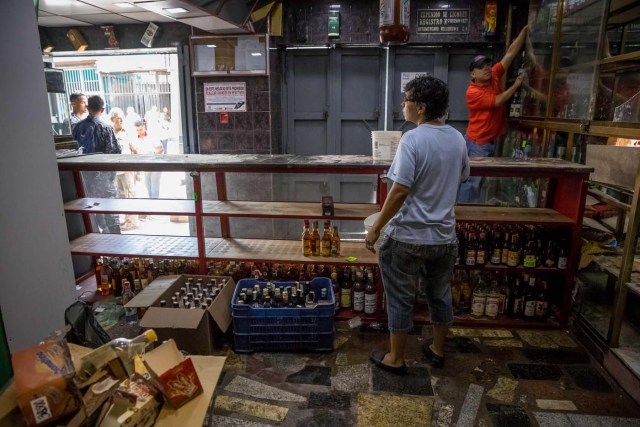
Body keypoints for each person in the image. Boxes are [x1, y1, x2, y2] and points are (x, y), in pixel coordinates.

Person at [365, 76, 470, 374]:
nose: (403, 105)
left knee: (400, 297)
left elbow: (399, 190)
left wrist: (376, 229)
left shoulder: (412, 139)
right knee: (439, 294)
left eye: (407, 100)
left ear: (420, 107)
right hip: (444, 238)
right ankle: (437, 350)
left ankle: (396, 359)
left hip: (408, 237)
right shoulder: (457, 138)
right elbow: (462, 176)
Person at [457, 25, 529, 203]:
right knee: (471, 182)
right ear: (473, 73)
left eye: (488, 65)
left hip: (483, 139)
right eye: (481, 67)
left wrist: (525, 30)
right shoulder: (472, 92)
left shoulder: (494, 75)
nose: (487, 69)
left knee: (470, 179)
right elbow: (498, 101)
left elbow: (510, 54)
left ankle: (461, 210)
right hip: (478, 141)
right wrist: (516, 85)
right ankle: (465, 217)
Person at [72, 95, 121, 234]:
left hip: (85, 179)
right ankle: (117, 251)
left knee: (93, 211)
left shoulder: (77, 128)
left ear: (87, 108)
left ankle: (99, 246)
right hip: (104, 179)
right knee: (111, 212)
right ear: (102, 109)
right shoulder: (106, 128)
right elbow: (114, 152)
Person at [110, 107, 139, 231]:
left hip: (127, 168)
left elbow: (135, 150)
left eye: (122, 117)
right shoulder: (110, 132)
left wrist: (136, 169)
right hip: (116, 170)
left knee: (130, 195)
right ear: (112, 119)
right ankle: (127, 219)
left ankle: (132, 222)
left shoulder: (127, 131)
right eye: (118, 117)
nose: (121, 119)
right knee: (121, 195)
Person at [134, 119, 164, 199]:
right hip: (145, 165)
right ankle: (151, 201)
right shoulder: (136, 139)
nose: (139, 132)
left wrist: (151, 157)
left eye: (141, 129)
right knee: (147, 184)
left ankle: (155, 203)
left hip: (156, 164)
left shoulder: (152, 136)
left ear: (144, 127)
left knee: (154, 185)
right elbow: (136, 152)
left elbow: (161, 149)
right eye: (137, 130)